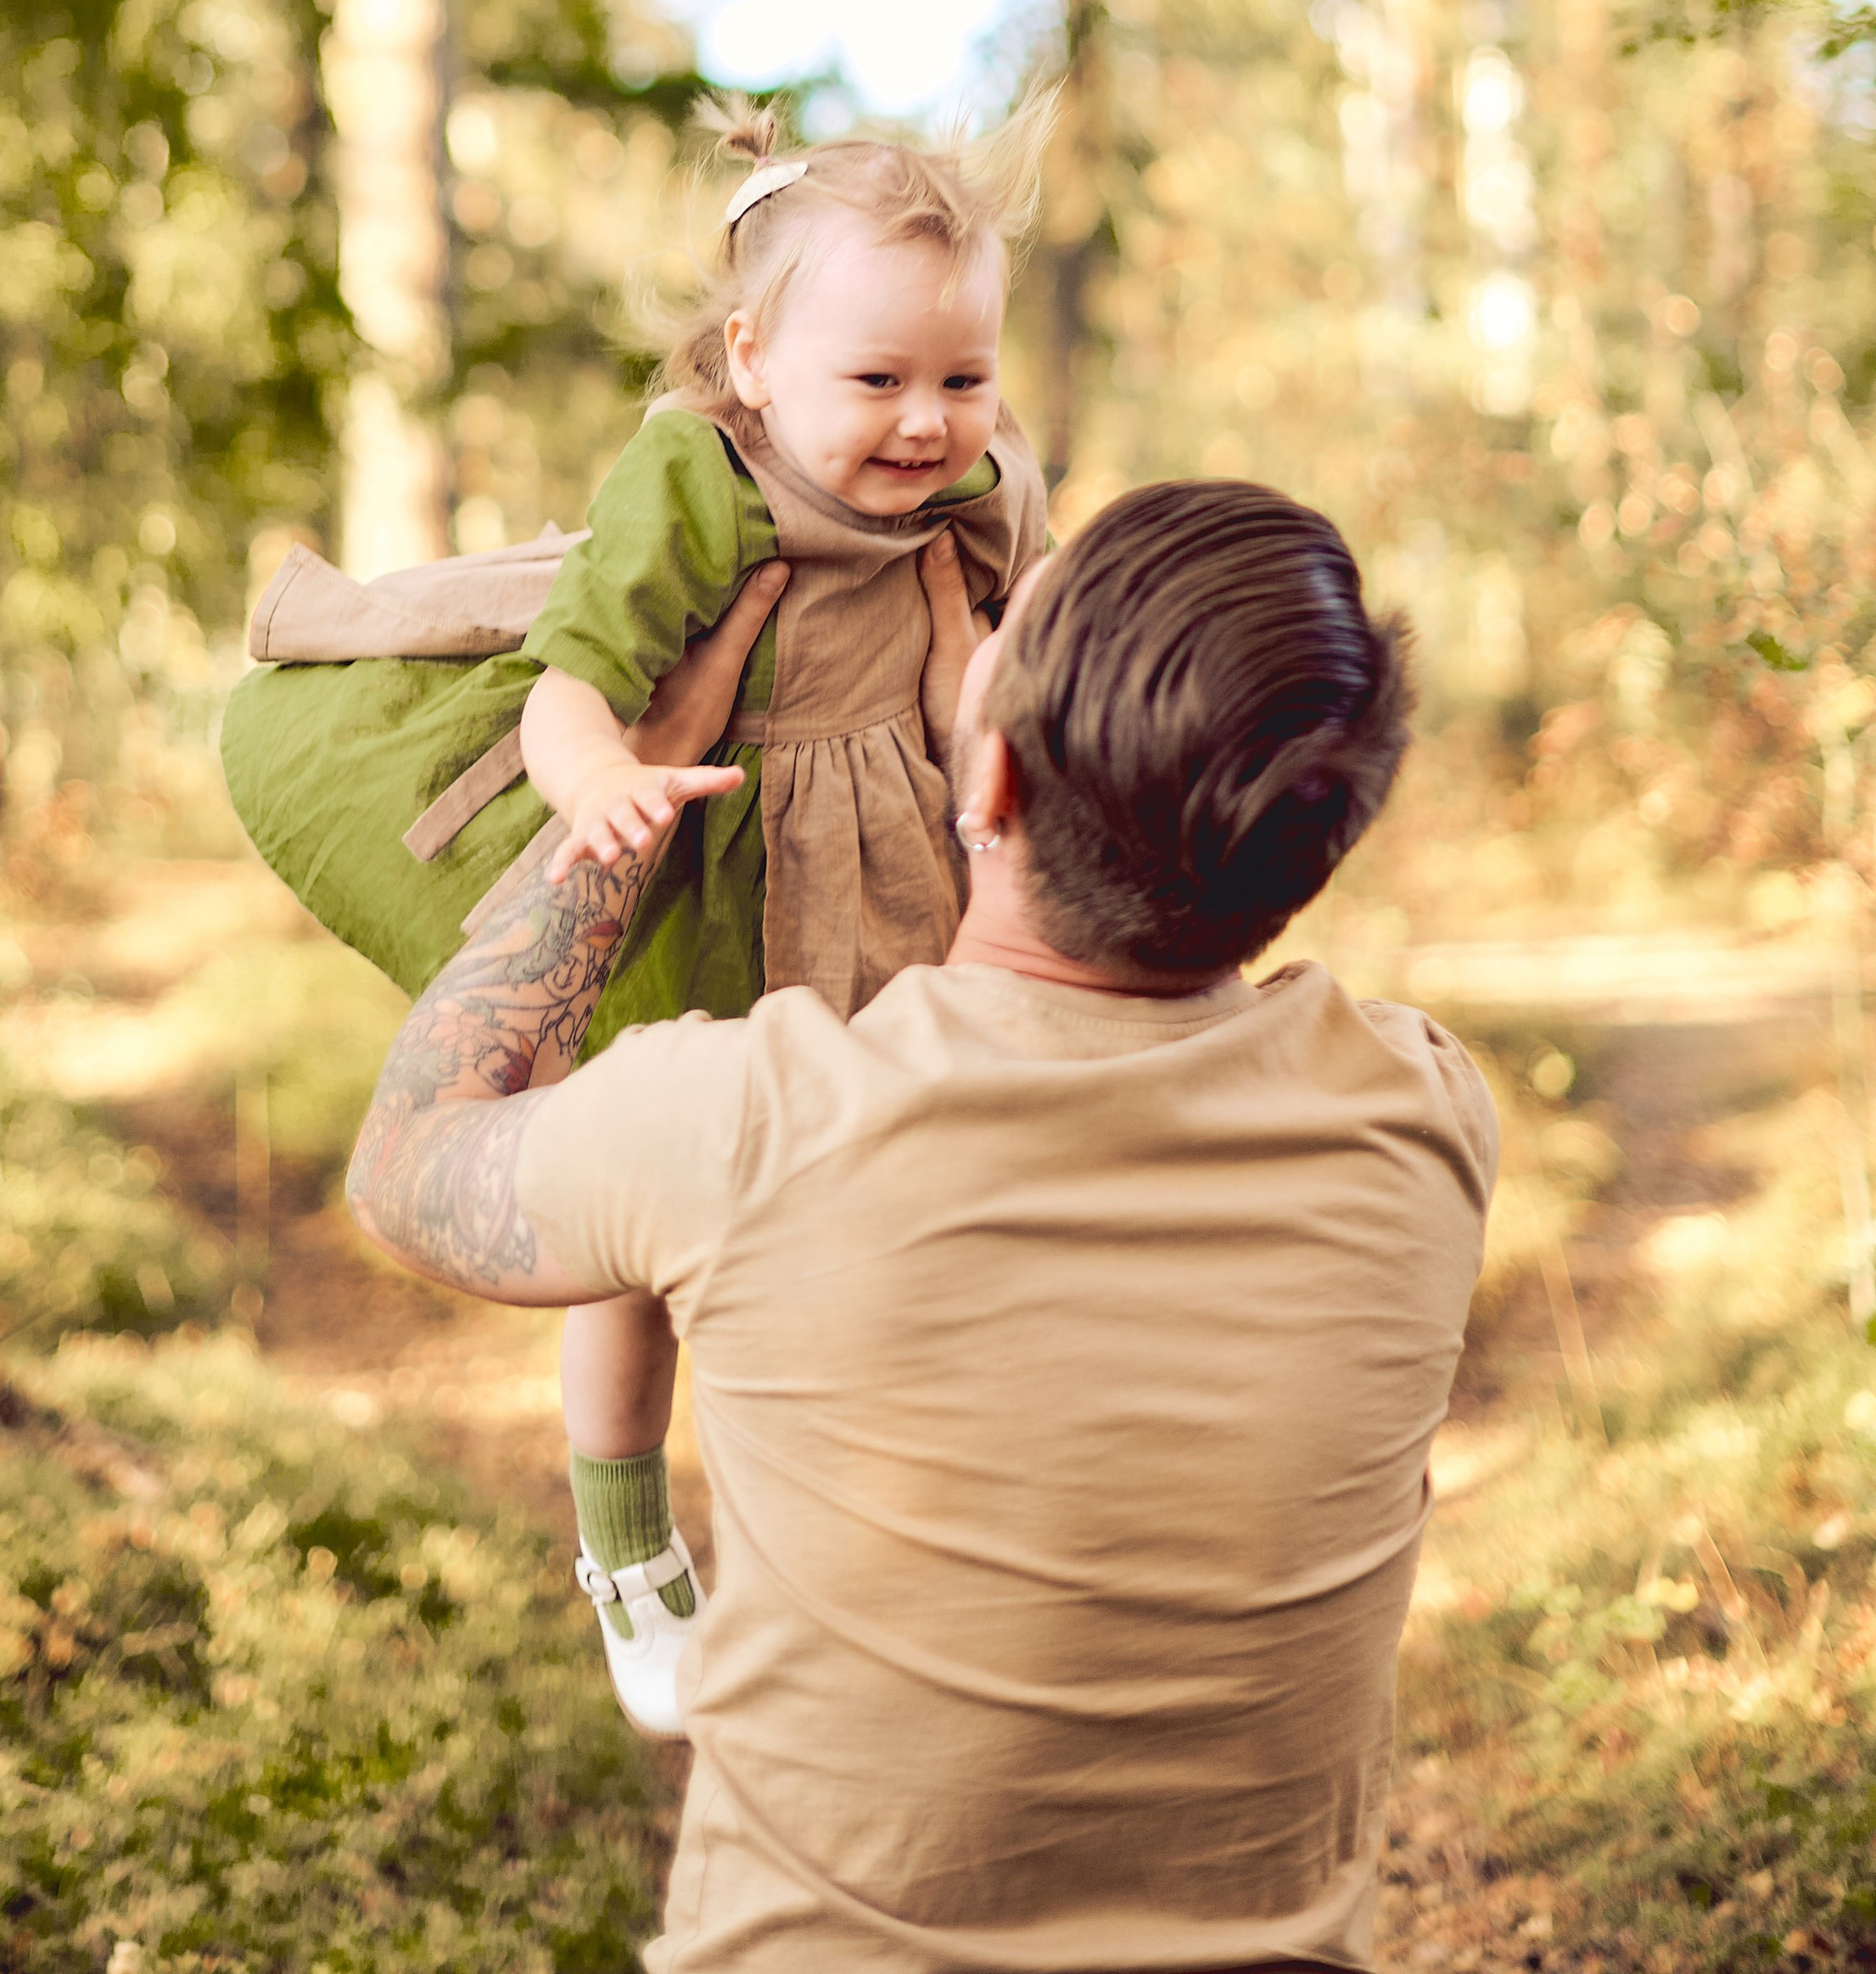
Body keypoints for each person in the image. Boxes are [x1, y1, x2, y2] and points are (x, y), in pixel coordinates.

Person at [345, 478, 1498, 1974]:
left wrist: (628, 791)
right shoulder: (1420, 1118)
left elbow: (406, 1160)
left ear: (999, 772)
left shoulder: (755, 1124)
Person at [224, 100, 1050, 1731]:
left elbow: (1021, 664)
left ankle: (860, 1543)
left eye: (961, 380)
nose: (924, 422)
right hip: (702, 862)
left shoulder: (982, 498)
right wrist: (600, 778)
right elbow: (573, 679)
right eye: (875, 381)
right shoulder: (699, 481)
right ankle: (628, 1550)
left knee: (874, 1210)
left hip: (888, 881)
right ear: (752, 360)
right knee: (640, 1239)